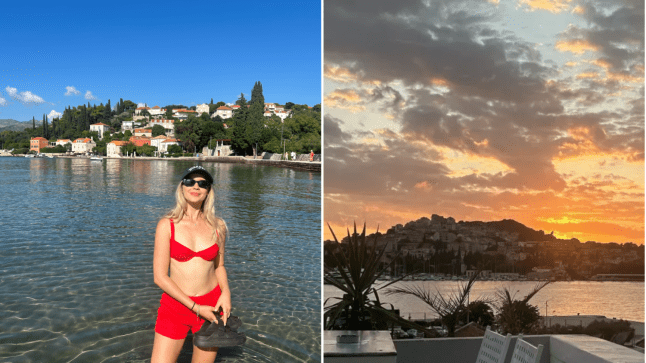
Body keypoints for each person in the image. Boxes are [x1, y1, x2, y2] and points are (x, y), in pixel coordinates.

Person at [151, 166, 231, 363]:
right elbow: (160, 277)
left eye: (202, 183)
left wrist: (226, 293)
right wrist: (195, 307)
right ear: (182, 187)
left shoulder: (218, 226)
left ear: (208, 191)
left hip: (211, 307)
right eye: (190, 181)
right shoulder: (167, 225)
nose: (196, 186)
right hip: (175, 306)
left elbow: (219, 266)